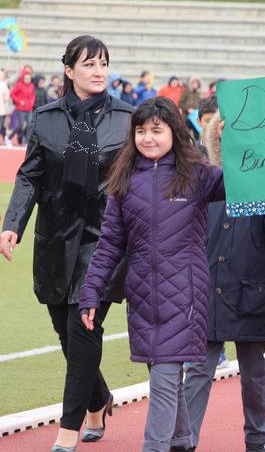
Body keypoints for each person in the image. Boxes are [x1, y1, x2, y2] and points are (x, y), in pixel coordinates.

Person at [0, 35, 134, 452]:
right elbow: (30, 176)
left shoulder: (128, 118)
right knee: (66, 330)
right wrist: (12, 224)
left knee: (84, 325)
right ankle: (98, 399)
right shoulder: (46, 118)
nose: (98, 72)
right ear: (70, 70)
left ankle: (69, 427)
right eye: (90, 64)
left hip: (104, 240)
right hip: (55, 239)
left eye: (104, 64)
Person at [79, 96, 225, 452]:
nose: (147, 138)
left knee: (162, 376)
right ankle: (183, 441)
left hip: (186, 294)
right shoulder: (124, 180)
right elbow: (110, 242)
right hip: (143, 297)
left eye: (156, 131)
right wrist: (90, 291)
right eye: (141, 131)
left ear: (174, 132)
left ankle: (155, 446)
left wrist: (224, 140)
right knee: (163, 375)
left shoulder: (198, 175)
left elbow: (245, 178)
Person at [182, 113, 265, 452]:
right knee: (198, 369)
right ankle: (185, 441)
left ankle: (257, 440)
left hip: (252, 290)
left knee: (254, 374)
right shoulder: (204, 177)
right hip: (209, 289)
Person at [7, 67, 35, 145]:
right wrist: (19, 101)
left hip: (29, 108)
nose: (27, 79)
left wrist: (32, 102)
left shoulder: (32, 86)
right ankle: (9, 137)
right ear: (23, 78)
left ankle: (27, 142)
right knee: (21, 125)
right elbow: (12, 94)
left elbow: (33, 95)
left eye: (29, 78)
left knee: (30, 125)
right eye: (26, 78)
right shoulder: (19, 85)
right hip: (20, 108)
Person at [0, 68, 13, 146]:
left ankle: (5, 139)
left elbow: (6, 98)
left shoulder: (4, 84)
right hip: (2, 109)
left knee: (2, 126)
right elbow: (6, 97)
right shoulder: (3, 84)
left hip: (2, 109)